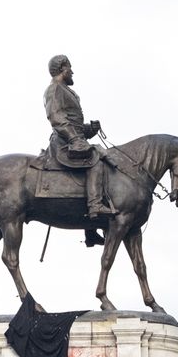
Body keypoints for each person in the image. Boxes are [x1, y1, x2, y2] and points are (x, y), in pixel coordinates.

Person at [43, 54, 112, 229]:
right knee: (95, 159)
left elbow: (75, 125)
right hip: (62, 144)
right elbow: (56, 118)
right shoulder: (54, 89)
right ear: (61, 69)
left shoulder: (65, 90)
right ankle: (95, 205)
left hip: (71, 139)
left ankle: (90, 229)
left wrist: (90, 129)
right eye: (69, 68)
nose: (72, 72)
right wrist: (74, 138)